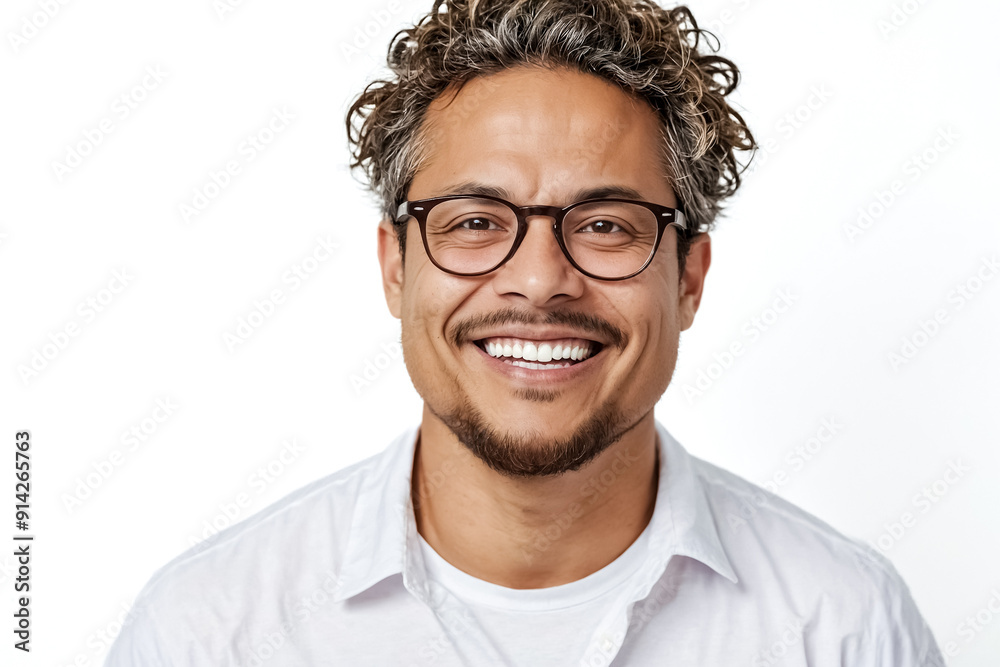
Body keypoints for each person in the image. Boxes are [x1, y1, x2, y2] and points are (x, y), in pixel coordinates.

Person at [107, 1, 945, 664]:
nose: (540, 280)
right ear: (396, 269)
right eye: (474, 221)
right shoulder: (204, 633)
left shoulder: (844, 627)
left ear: (688, 277)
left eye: (608, 225)